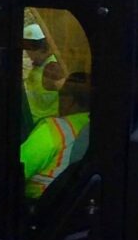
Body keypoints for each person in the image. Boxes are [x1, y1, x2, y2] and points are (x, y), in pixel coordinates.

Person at [21, 67, 92, 200]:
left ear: (71, 100)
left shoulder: (54, 130)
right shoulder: (98, 128)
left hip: (39, 208)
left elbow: (15, 170)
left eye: (62, 95)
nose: (59, 100)